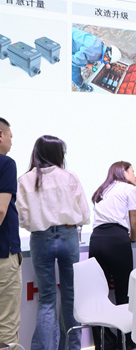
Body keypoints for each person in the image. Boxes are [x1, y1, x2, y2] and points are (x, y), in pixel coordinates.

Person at [16, 135, 90, 350]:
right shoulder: (69, 177)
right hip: (68, 235)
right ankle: (73, 347)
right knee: (70, 295)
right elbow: (85, 214)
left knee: (47, 299)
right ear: (58, 154)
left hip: (41, 238)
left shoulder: (25, 180)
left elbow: (23, 218)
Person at [89, 161, 136, 350]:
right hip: (117, 240)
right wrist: (132, 238)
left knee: (98, 295)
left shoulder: (102, 190)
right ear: (123, 172)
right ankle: (126, 342)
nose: (135, 175)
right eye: (133, 171)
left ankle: (104, 343)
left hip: (97, 240)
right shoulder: (129, 189)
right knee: (123, 293)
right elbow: (134, 220)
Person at [0, 118, 21, 346]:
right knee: (6, 327)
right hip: (3, 256)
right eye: (10, 137)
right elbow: (1, 209)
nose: (11, 142)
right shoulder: (5, 164)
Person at [71, 27, 121, 92]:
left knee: (85, 58)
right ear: (107, 57)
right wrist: (86, 65)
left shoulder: (99, 44)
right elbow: (73, 61)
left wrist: (106, 63)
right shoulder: (93, 54)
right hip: (66, 42)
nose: (107, 62)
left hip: (73, 34)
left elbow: (103, 55)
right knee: (74, 69)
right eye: (108, 61)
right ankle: (81, 85)